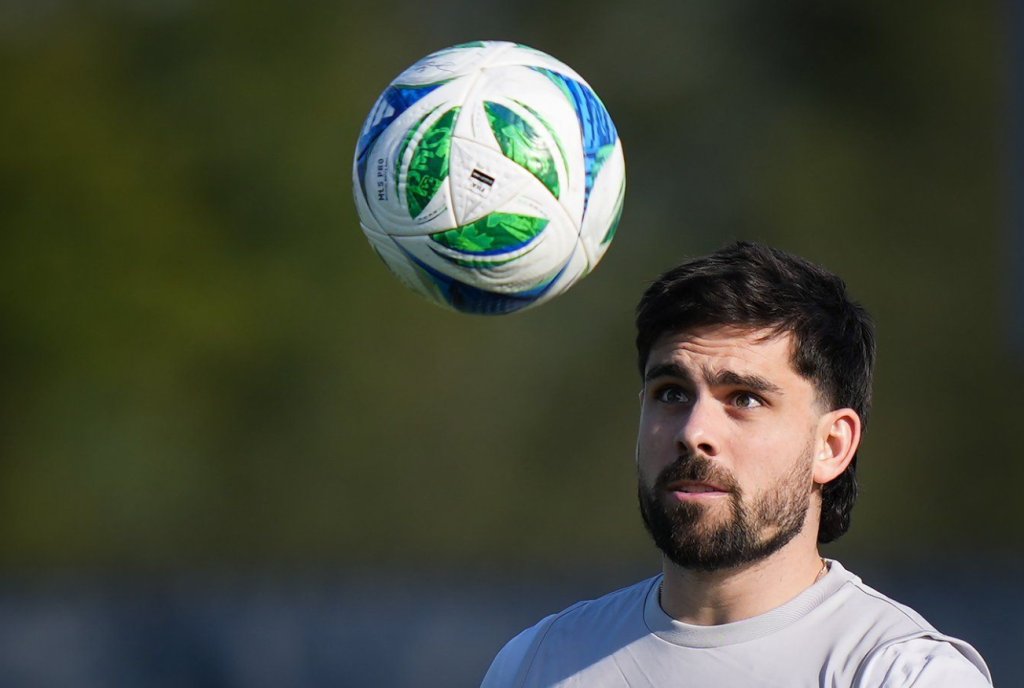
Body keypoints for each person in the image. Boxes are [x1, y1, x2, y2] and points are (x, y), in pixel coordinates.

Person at [479, 242, 992, 687]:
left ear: (832, 445)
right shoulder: (536, 665)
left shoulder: (899, 674)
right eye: (672, 393)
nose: (693, 433)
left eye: (744, 398)